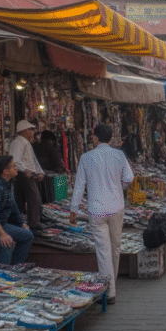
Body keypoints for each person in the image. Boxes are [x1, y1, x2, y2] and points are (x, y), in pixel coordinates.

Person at [69, 124, 135, 305]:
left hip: (97, 209)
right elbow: (129, 178)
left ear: (96, 138)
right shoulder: (119, 155)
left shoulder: (86, 157)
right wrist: (117, 182)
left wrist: (73, 209)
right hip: (116, 207)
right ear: (110, 138)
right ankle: (111, 285)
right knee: (115, 247)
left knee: (103, 251)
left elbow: (79, 185)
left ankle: (109, 291)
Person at [8, 120, 45, 237]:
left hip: (27, 173)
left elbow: (32, 160)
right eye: (31, 130)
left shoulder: (25, 142)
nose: (33, 132)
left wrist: (39, 171)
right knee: (33, 197)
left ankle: (30, 221)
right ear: (25, 130)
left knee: (27, 198)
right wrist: (25, 170)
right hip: (23, 174)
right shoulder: (18, 142)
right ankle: (34, 223)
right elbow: (15, 159)